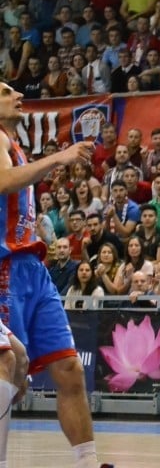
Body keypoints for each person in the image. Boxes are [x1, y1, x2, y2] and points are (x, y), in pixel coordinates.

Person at [0, 82, 108, 468]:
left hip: (34, 268)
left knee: (68, 367)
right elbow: (3, 181)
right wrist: (59, 157)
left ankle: (87, 462)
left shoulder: (15, 145)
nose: (17, 96)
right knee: (7, 367)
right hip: (5, 267)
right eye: (5, 91)